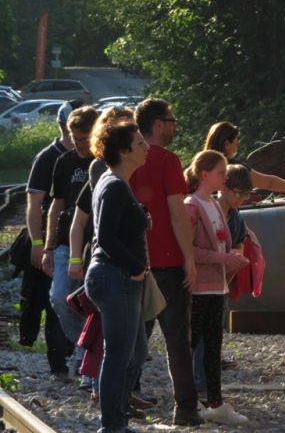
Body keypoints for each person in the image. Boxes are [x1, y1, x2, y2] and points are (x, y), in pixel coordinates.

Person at [128, 97, 203, 426]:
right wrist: (189, 258)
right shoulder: (168, 161)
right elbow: (177, 213)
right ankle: (185, 409)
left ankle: (122, 399)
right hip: (169, 263)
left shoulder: (124, 159)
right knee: (177, 340)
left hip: (133, 265)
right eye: (171, 121)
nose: (174, 126)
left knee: (132, 339)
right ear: (158, 124)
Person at [85, 116, 150, 433]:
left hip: (120, 278)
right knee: (119, 354)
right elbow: (105, 238)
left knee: (137, 353)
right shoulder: (113, 185)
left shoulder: (117, 184)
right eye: (140, 143)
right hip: (115, 278)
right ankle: (112, 425)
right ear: (124, 151)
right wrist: (137, 267)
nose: (146, 146)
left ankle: (118, 419)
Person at [183, 150, 249, 426]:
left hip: (217, 287)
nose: (225, 177)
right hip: (198, 288)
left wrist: (233, 258)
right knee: (190, 344)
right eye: (222, 172)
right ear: (205, 175)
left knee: (213, 346)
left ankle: (215, 402)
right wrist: (225, 258)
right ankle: (187, 403)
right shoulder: (192, 205)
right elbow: (189, 250)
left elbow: (219, 244)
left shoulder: (214, 205)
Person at [21, 99, 84, 381]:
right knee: (55, 301)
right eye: (73, 128)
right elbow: (36, 204)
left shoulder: (96, 155)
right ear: (62, 125)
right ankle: (59, 364)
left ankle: (84, 352)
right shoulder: (48, 158)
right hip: (56, 240)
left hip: (87, 240)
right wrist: (38, 243)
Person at [42, 105, 98, 389]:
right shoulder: (63, 162)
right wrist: (47, 247)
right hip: (65, 242)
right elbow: (56, 207)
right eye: (76, 138)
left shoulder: (103, 163)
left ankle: (89, 356)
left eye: (85, 138)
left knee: (94, 302)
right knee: (59, 298)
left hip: (96, 244)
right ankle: (84, 346)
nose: (80, 144)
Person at [193, 163, 253, 393]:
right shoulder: (204, 207)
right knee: (198, 335)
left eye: (245, 195)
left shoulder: (237, 218)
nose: (241, 199)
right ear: (223, 187)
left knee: (215, 335)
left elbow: (238, 243)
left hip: (222, 282)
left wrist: (237, 256)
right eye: (238, 193)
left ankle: (208, 382)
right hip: (200, 282)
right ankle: (198, 382)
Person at [203, 121, 285, 199]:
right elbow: (270, 183)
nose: (236, 149)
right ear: (226, 144)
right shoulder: (235, 168)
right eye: (235, 145)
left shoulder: (198, 167)